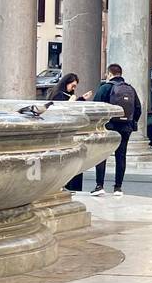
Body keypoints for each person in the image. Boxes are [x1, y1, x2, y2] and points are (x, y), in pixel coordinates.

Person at [90, 63, 142, 197]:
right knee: (121, 156)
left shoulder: (105, 88)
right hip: (125, 128)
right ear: (121, 74)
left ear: (109, 74)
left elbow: (95, 106)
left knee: (101, 155)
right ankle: (118, 188)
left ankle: (99, 186)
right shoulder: (130, 89)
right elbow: (138, 108)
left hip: (108, 127)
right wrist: (132, 123)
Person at [47, 71, 93, 191]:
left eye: (75, 87)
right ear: (66, 83)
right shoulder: (57, 94)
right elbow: (61, 109)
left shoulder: (67, 94)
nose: (73, 88)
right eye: (72, 86)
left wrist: (82, 98)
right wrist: (72, 101)